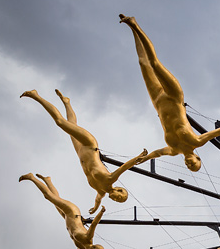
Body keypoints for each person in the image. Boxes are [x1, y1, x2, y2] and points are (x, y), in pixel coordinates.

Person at [119, 14, 220, 172]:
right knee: (154, 64)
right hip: (174, 97)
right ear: (198, 158)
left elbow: (157, 153)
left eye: (188, 166)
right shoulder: (197, 141)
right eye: (194, 164)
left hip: (158, 102)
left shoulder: (173, 150)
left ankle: (132, 31)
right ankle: (134, 25)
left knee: (143, 63)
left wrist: (145, 158)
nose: (189, 164)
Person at [21, 89, 149, 213]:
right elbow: (125, 167)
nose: (115, 199)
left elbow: (98, 200)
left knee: (71, 124)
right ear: (119, 190)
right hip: (89, 145)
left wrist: (95, 208)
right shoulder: (110, 179)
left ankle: (66, 102)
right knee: (60, 122)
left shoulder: (101, 192)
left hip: (80, 152)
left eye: (117, 201)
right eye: (119, 197)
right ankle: (36, 95)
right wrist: (138, 157)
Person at [18, 173, 105, 249]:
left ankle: (48, 180)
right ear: (94, 248)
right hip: (72, 211)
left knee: (55, 198)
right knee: (48, 196)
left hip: (67, 218)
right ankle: (31, 177)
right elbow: (94, 224)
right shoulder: (88, 239)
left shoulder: (82, 247)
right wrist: (101, 212)